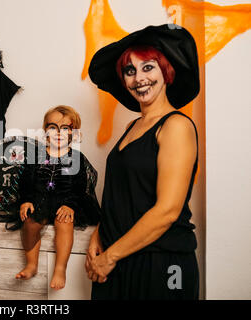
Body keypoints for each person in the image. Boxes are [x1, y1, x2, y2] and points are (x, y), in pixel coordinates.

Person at [86, 24, 200, 299]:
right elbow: (127, 194)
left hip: (159, 263)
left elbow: (167, 211)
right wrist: (99, 233)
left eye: (148, 67)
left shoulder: (176, 126)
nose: (139, 78)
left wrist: (109, 257)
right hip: (119, 258)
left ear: (165, 71)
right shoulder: (134, 126)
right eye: (130, 71)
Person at [15, 105, 100, 290]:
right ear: (45, 131)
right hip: (40, 201)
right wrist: (27, 200)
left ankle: (60, 269)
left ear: (74, 133)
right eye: (53, 127)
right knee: (30, 222)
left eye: (65, 128)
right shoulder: (35, 156)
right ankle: (31, 264)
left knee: (64, 224)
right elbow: (26, 182)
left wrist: (71, 206)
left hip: (65, 203)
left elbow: (79, 189)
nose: (58, 133)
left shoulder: (76, 158)